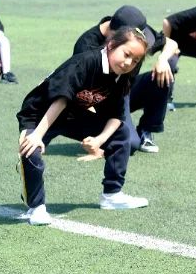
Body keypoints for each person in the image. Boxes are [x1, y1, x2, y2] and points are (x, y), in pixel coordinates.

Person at [16, 27, 151, 226]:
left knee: (121, 133)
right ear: (112, 45)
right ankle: (36, 208)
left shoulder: (121, 75)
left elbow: (117, 116)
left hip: (73, 114)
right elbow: (60, 100)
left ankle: (112, 195)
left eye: (136, 60)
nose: (129, 63)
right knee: (31, 150)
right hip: (40, 113)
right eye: (127, 54)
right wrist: (37, 135)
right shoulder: (86, 62)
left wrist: (99, 140)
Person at [73, 5, 178, 154]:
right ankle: (97, 134)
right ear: (114, 38)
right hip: (97, 101)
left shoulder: (135, 27)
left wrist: (162, 59)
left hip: (123, 92)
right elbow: (80, 94)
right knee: (129, 144)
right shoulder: (86, 46)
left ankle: (145, 131)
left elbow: (171, 43)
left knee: (163, 76)